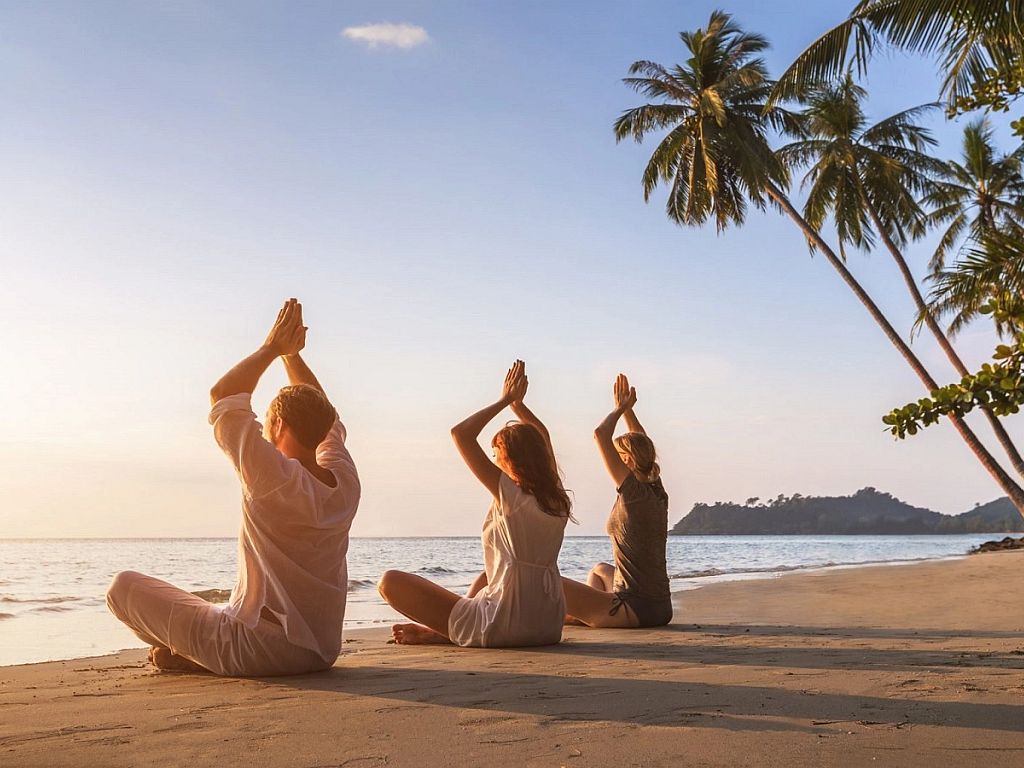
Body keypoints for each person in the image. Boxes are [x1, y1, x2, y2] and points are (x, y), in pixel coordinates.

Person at [106, 299, 360, 675]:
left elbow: (224, 396)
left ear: (279, 428)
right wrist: (292, 357)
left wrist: (273, 348)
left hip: (254, 649)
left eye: (269, 426)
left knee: (122, 588)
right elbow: (327, 416)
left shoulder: (272, 476)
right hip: (321, 652)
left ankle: (201, 658)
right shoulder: (344, 479)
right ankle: (196, 652)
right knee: (211, 608)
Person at [378, 360, 571, 646]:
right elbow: (543, 436)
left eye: (497, 456)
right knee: (485, 579)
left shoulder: (512, 496)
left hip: (506, 624)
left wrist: (505, 400)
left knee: (389, 582)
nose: (494, 462)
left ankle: (450, 632)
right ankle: (448, 631)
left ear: (510, 460)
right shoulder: (557, 499)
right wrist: (518, 406)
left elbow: (461, 434)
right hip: (547, 625)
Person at [562, 373, 672, 628]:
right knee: (600, 570)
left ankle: (583, 617)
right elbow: (642, 441)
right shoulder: (657, 490)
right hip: (660, 607)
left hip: (634, 608)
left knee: (551, 588)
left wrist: (620, 408)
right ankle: (586, 616)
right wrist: (629, 413)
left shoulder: (633, 493)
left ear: (627, 461)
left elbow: (600, 434)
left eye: (619, 454)